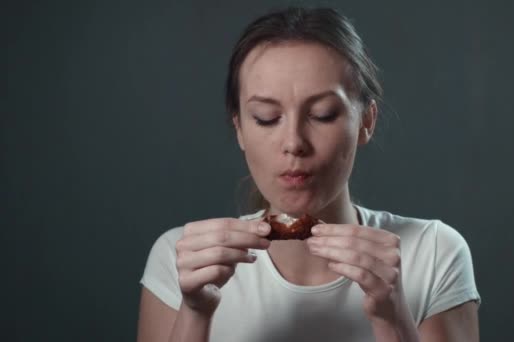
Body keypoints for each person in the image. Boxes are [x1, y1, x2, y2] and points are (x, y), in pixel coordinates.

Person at [137, 7, 481, 342]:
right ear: (239, 128)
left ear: (366, 121)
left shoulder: (433, 253)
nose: (293, 144)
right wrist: (196, 313)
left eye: (323, 114)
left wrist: (392, 318)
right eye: (267, 118)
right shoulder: (182, 259)